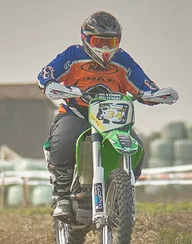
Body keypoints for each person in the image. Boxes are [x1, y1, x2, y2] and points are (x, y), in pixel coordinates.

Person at [37, 10, 178, 219]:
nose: (105, 48)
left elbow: (143, 85)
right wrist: (52, 85)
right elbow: (45, 76)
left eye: (110, 43)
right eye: (99, 41)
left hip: (112, 120)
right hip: (76, 113)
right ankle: (62, 196)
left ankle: (120, 195)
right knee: (64, 140)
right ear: (86, 39)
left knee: (136, 149)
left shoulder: (123, 60)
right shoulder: (73, 55)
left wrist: (155, 94)